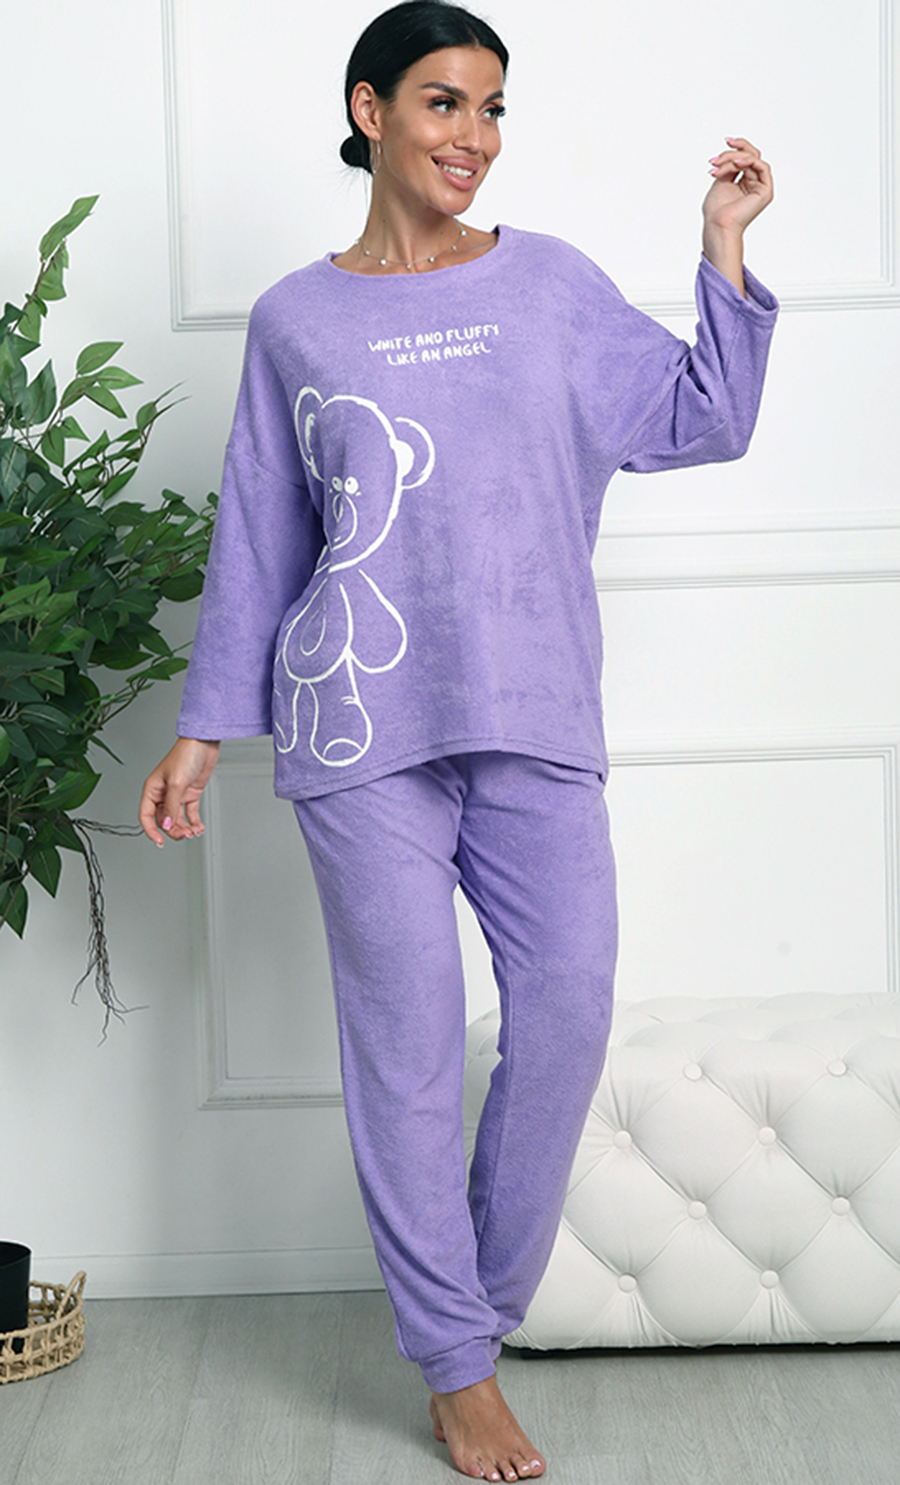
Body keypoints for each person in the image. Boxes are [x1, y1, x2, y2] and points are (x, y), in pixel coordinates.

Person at [139, 2, 777, 1478]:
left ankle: (468, 1316)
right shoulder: (297, 319)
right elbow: (261, 530)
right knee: (409, 1052)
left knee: (566, 1008)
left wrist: (723, 245)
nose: (473, 137)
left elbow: (706, 416)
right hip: (359, 724)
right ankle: (458, 1367)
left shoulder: (548, 284)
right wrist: (202, 730)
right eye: (443, 102)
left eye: (493, 110)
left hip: (532, 708)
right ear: (370, 111)